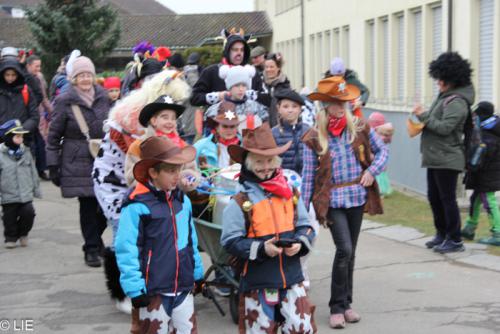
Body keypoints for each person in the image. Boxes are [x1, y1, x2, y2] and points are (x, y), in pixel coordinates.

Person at [302, 75, 388, 329]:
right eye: (334, 102)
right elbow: (308, 175)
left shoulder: (360, 127)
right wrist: (305, 208)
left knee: (351, 253)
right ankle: (336, 307)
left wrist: (372, 171)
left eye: (343, 102)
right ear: (325, 105)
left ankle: (347, 304)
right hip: (332, 201)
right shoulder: (314, 136)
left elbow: (383, 151)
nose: (340, 107)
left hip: (357, 197)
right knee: (345, 250)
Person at [221, 123, 317, 333]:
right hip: (258, 281)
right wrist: (262, 248)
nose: (265, 167)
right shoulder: (239, 200)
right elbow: (230, 241)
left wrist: (300, 244)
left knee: (301, 328)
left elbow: (306, 226)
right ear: (247, 164)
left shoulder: (290, 192)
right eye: (259, 162)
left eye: (269, 161)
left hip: (292, 277)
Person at [115, 136, 204, 334]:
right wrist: (134, 288)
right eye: (170, 170)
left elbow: (190, 241)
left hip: (183, 286)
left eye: (179, 169)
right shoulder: (137, 205)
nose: (177, 175)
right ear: (153, 172)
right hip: (153, 290)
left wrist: (197, 273)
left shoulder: (183, 201)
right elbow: (126, 249)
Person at [47, 55, 110, 267]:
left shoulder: (103, 96)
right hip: (76, 159)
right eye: (80, 75)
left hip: (103, 157)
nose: (85, 79)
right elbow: (53, 135)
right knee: (88, 204)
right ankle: (91, 248)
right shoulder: (65, 100)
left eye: (88, 74)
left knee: (105, 206)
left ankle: (95, 239)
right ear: (73, 78)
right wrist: (53, 164)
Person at [412, 52, 474, 253]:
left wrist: (423, 115)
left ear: (452, 79)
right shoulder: (445, 97)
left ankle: (455, 239)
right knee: (434, 197)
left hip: (448, 157)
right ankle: (441, 234)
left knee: (447, 199)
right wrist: (423, 117)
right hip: (436, 156)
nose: (438, 82)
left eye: (441, 79)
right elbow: (435, 120)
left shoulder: (456, 101)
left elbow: (445, 128)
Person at [190, 28, 262, 108]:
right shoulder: (211, 72)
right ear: (227, 51)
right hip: (217, 118)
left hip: (247, 118)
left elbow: (265, 98)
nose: (239, 53)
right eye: (235, 49)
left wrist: (249, 95)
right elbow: (194, 98)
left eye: (242, 50)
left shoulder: (252, 73)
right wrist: (218, 96)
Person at [461, 101, 500, 246]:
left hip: (487, 173)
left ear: (482, 114)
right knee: (475, 199)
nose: (474, 116)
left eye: (477, 114)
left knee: (489, 200)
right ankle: (469, 228)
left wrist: (471, 164)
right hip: (483, 172)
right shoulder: (486, 128)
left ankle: (498, 233)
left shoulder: (489, 132)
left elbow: (483, 155)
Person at [0, 119, 40, 248]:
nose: (20, 139)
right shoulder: (1, 154)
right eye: (17, 136)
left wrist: (36, 189)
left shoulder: (25, 152)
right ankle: (10, 237)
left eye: (21, 136)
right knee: (9, 218)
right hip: (8, 193)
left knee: (29, 213)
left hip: (25, 192)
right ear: (9, 137)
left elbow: (33, 172)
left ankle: (23, 233)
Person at [205, 64, 268, 132]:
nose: (241, 89)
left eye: (244, 85)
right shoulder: (217, 109)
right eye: (237, 86)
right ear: (229, 87)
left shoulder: (256, 108)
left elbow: (264, 130)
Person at [0, 59, 40, 144]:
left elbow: (34, 116)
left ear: (18, 75)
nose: (10, 78)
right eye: (7, 75)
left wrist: (20, 131)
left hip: (23, 141)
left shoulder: (26, 91)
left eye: (13, 75)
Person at [194, 100, 241, 170]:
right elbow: (188, 170)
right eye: (225, 126)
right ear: (216, 127)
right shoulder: (200, 146)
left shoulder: (244, 147)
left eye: (232, 126)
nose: (229, 130)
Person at [271, 89, 309, 174]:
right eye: (285, 106)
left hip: (306, 179)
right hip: (283, 181)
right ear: (278, 108)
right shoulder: (273, 133)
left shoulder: (308, 131)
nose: (290, 110)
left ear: (300, 109)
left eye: (294, 106)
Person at [26, 55, 51, 180]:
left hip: (36, 114)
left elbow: (43, 97)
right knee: (31, 144)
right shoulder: (22, 77)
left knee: (40, 143)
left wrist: (52, 112)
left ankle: (41, 170)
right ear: (28, 65)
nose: (38, 68)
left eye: (39, 66)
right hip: (25, 115)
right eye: (36, 66)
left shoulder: (39, 78)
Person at [259, 52, 291, 127]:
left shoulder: (285, 85)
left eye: (271, 67)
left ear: (278, 68)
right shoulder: (259, 83)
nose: (268, 69)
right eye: (266, 67)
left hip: (279, 129)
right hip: (262, 129)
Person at [368, 112, 394, 196]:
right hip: (375, 162)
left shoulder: (380, 134)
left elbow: (383, 148)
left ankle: (380, 191)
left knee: (379, 176)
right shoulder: (371, 133)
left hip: (377, 162)